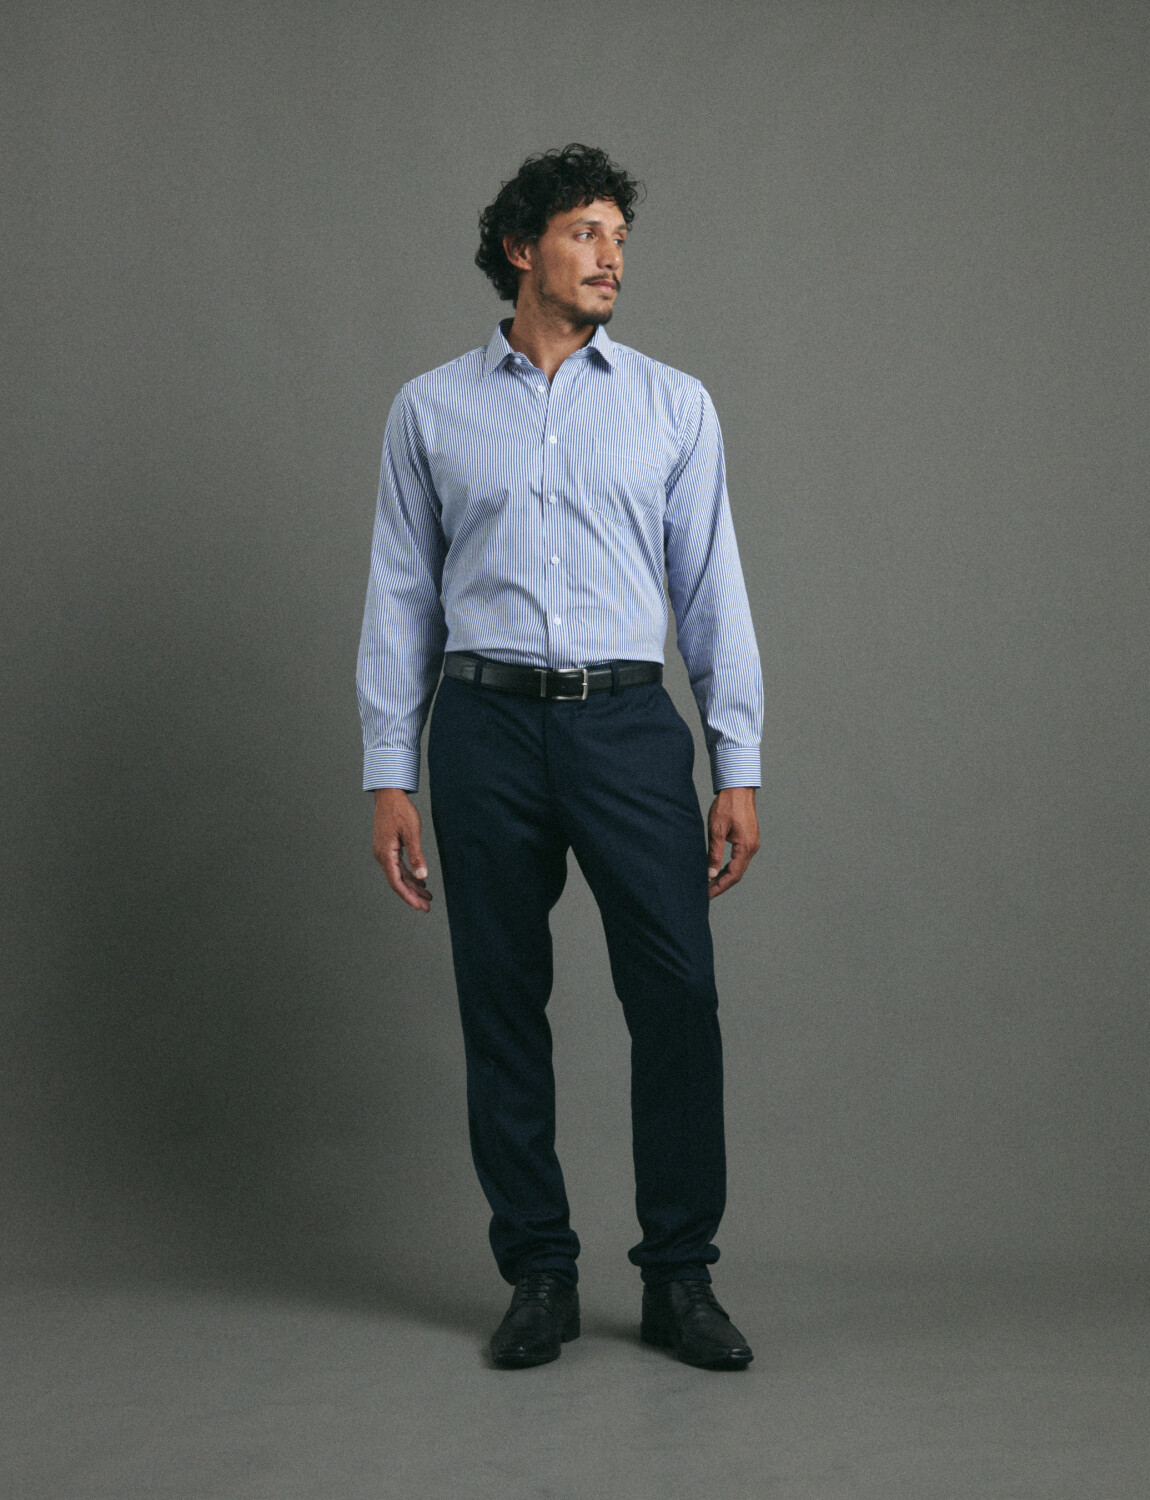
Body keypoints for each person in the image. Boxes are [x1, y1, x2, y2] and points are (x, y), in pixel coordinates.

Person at [357, 145, 763, 1371]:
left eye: (619, 239)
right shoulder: (430, 410)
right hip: (483, 729)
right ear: (520, 248)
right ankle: (538, 1271)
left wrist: (736, 761)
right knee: (500, 1004)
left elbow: (711, 591)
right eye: (587, 233)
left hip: (627, 728)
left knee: (676, 999)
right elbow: (400, 596)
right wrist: (389, 769)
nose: (611, 258)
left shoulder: (673, 407)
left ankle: (680, 1278)